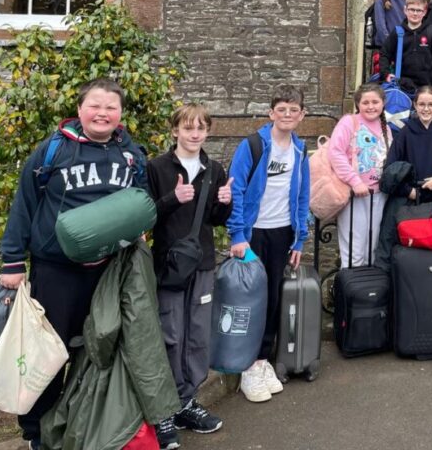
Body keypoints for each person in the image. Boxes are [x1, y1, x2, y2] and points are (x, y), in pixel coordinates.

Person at [0, 78, 149, 449]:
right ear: (80, 108)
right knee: (49, 353)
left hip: (107, 272)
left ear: (120, 113)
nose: (102, 113)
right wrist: (12, 261)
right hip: (57, 271)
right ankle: (36, 431)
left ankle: (81, 423)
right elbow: (25, 204)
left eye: (111, 107)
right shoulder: (53, 150)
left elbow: (139, 200)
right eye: (95, 105)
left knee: (97, 351)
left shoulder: (130, 153)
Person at [148, 103, 233, 448]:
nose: (194, 134)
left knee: (197, 334)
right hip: (168, 266)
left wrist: (225, 202)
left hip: (201, 264)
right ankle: (164, 410)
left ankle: (186, 402)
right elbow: (145, 216)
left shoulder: (214, 169)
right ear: (175, 131)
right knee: (170, 334)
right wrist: (173, 198)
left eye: (200, 128)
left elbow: (216, 220)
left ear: (207, 132)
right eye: (188, 128)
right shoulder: (157, 168)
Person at [227, 85, 311, 403]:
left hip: (282, 233)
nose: (287, 114)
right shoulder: (252, 145)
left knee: (274, 299)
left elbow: (302, 195)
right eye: (281, 109)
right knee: (251, 301)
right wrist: (237, 235)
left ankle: (262, 361)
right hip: (253, 234)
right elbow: (235, 190)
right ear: (271, 113)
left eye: (293, 110)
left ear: (302, 115)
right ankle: (247, 367)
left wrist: (299, 238)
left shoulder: (300, 150)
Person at [375, 86, 432, 269]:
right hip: (409, 202)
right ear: (415, 105)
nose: (426, 109)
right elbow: (390, 171)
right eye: (422, 104)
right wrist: (409, 191)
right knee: (402, 246)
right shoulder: (405, 133)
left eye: (430, 104)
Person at [328, 84, 392, 268]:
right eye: (365, 102)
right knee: (354, 252)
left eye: (375, 102)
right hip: (354, 194)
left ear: (383, 103)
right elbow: (336, 153)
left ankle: (366, 284)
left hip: (378, 194)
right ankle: (351, 284)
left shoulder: (385, 128)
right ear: (358, 104)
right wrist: (355, 182)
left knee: (371, 249)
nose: (371, 106)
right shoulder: (349, 122)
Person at [381, 0, 432, 96]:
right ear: (405, 10)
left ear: (424, 12)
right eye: (412, 9)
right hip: (402, 85)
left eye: (419, 10)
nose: (415, 13)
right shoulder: (398, 32)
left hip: (427, 85)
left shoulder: (431, 31)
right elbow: (384, 54)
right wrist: (386, 74)